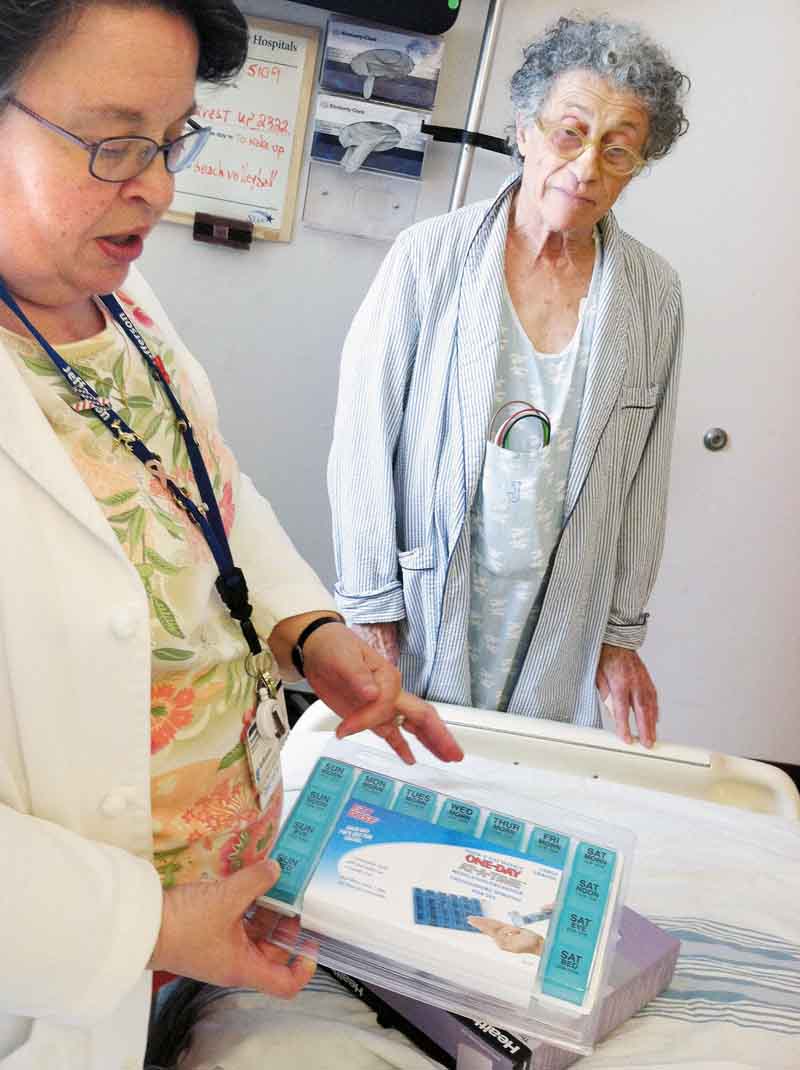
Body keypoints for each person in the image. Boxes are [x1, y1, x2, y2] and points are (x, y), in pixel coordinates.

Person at [0, 3, 462, 1068]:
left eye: (171, 141)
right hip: (65, 969)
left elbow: (200, 486)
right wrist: (149, 926)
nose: (158, 188)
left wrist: (310, 632)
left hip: (205, 924)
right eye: (113, 144)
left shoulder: (113, 293)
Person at [328, 15, 689, 749]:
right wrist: (371, 608)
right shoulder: (427, 257)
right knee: (417, 781)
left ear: (636, 167)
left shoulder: (654, 292)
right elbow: (363, 439)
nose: (587, 167)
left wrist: (621, 635)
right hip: (427, 595)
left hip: (565, 611)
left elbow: (648, 475)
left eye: (617, 152)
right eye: (569, 133)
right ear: (524, 129)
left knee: (532, 786)